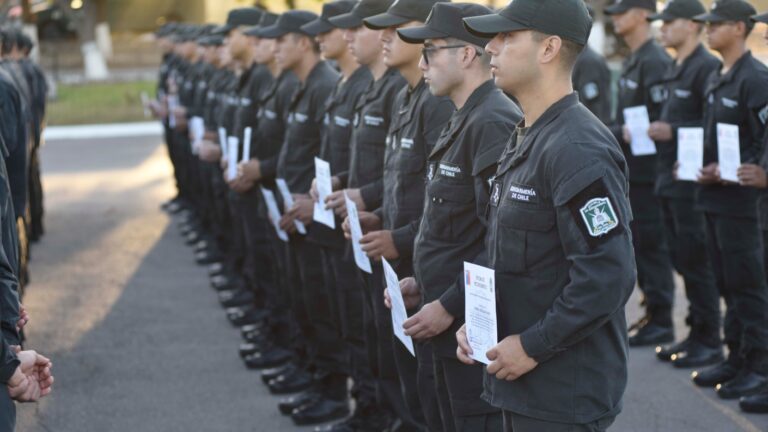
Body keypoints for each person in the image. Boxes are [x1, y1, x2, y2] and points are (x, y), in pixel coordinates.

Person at [460, 0, 636, 430]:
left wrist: (533, 345)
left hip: (561, 392)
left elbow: (608, 275)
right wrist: (478, 321)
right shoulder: (528, 135)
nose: (490, 47)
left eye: (507, 36)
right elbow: (510, 253)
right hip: (522, 383)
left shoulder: (577, 148)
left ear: (549, 48)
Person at [387, 3, 520, 430]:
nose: (421, 64)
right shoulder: (464, 117)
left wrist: (448, 305)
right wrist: (421, 283)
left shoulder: (492, 122)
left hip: (467, 328)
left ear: (465, 54)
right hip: (441, 316)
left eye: (430, 51)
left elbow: (499, 239)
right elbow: (452, 228)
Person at [257, 11, 350, 426]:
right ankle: (314, 374)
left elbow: (334, 161)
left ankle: (332, 391)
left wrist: (316, 206)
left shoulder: (325, 84)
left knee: (329, 313)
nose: (275, 47)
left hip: (322, 221)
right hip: (299, 213)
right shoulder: (307, 85)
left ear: (301, 43)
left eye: (282, 40)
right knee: (307, 303)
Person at [689, 0, 768, 400]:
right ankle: (737, 357)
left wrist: (760, 169)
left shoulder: (755, 78)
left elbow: (762, 138)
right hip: (715, 196)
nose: (708, 29)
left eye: (716, 24)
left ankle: (760, 366)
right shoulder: (718, 75)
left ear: (739, 27)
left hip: (743, 204)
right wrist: (705, 167)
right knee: (727, 283)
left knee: (749, 286)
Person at [646, 0, 723, 368]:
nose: (662, 28)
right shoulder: (677, 65)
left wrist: (672, 131)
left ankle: (709, 340)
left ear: (693, 25)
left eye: (669, 22)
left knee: (697, 262)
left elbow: (711, 125)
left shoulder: (706, 66)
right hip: (669, 178)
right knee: (683, 261)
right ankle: (696, 333)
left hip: (692, 185)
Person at [605, 0, 676, 347]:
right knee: (641, 246)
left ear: (643, 13)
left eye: (623, 11)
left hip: (651, 174)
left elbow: (666, 119)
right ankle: (652, 312)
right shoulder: (636, 59)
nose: (616, 17)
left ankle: (662, 320)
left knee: (652, 246)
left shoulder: (655, 60)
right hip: (635, 171)